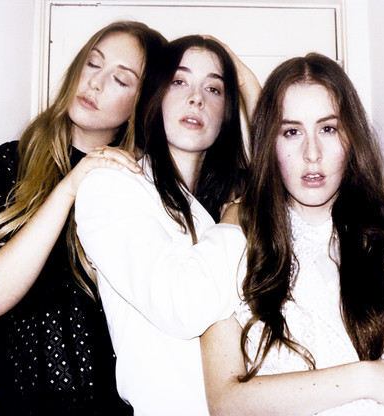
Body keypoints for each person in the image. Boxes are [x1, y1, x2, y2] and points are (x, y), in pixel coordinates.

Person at [200, 53, 384, 415]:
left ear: (351, 137)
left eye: (328, 129)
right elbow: (226, 402)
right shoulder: (234, 248)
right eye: (291, 132)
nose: (312, 154)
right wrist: (366, 378)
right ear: (269, 146)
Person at [0, 21, 165, 415]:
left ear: (142, 103)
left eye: (120, 80)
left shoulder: (142, 186)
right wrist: (70, 186)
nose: (95, 83)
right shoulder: (10, 163)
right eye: (93, 63)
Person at [74, 35, 253, 415]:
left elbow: (280, 158)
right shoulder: (112, 186)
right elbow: (181, 306)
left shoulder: (226, 202)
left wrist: (245, 80)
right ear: (155, 95)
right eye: (179, 81)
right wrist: (233, 224)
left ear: (226, 113)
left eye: (214, 88)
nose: (196, 98)